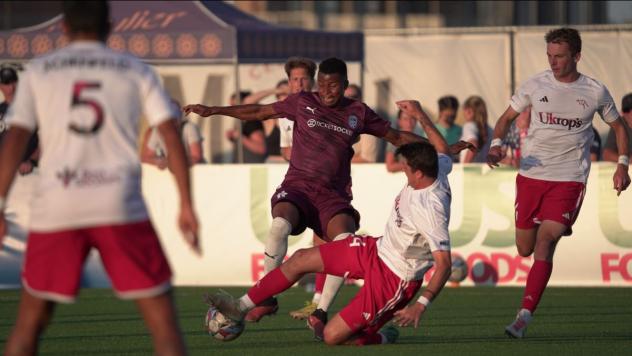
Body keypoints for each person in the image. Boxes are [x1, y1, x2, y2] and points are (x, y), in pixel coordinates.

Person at [0, 2, 201, 355]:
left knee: (29, 326)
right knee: (164, 327)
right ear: (110, 26)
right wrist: (186, 204)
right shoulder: (134, 69)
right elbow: (169, 132)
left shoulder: (39, 71)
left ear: (63, 26)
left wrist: (0, 204)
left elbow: (14, 140)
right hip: (118, 204)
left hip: (57, 205)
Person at [184, 57, 432, 340]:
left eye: (334, 86)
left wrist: (440, 146)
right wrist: (215, 110)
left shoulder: (358, 112)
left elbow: (397, 137)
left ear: (345, 86)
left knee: (344, 244)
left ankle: (321, 311)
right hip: (299, 188)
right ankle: (265, 297)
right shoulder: (301, 102)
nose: (327, 91)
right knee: (279, 226)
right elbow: (259, 112)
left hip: (333, 197)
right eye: (323, 85)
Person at [205, 99, 467, 346]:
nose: (403, 170)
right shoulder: (437, 168)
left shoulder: (431, 209)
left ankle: (383, 335)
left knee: (333, 338)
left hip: (396, 279)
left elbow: (443, 265)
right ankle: (238, 307)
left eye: (406, 168)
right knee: (300, 259)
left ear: (419, 173)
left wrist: (420, 304)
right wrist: (419, 113)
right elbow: (442, 149)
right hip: (376, 250)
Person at [487, 27, 630, 339]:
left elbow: (619, 127)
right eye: (549, 56)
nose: (553, 62)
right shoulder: (535, 84)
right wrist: (496, 143)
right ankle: (552, 232)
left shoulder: (594, 90)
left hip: (568, 179)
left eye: (560, 56)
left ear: (576, 56)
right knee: (524, 249)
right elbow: (504, 119)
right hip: (530, 178)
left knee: (545, 241)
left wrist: (622, 165)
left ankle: (524, 315)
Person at [141, 98, 205, 168]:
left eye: (176, 115)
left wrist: (171, 162)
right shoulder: (157, 130)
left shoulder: (189, 128)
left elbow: (196, 157)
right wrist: (158, 161)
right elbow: (145, 157)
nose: (173, 121)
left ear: (180, 116)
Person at [0, 64, 40, 176]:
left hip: (31, 173)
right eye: (6, 83)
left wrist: (31, 161)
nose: (11, 88)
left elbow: (46, 140)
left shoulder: (33, 109)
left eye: (14, 82)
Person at [279, 57, 316, 162]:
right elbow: (285, 147)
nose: (299, 84)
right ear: (289, 83)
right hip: (298, 171)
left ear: (312, 82)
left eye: (304, 79)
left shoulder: (326, 108)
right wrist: (286, 154)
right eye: (295, 79)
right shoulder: (284, 112)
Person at [226, 91, 267, 163]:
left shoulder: (252, 122)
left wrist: (240, 137)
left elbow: (261, 148)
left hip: (252, 167)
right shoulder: (241, 121)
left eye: (234, 106)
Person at [347, 84, 379, 163]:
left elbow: (368, 159)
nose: (349, 100)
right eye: (345, 97)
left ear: (360, 100)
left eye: (354, 96)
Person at [459, 96, 493, 163]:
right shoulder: (490, 130)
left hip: (470, 170)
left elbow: (473, 144)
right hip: (484, 170)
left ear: (469, 111)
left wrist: (465, 166)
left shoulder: (469, 126)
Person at [603, 93, 632, 162]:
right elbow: (607, 154)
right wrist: (626, 161)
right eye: (627, 112)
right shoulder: (619, 125)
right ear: (623, 113)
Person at [434, 95, 462, 161]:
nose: (450, 119)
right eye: (447, 116)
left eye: (452, 116)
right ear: (440, 112)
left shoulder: (460, 130)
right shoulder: (431, 131)